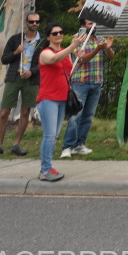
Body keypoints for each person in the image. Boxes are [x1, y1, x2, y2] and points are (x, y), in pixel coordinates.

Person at [36, 23, 89, 182]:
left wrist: (78, 59)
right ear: (48, 37)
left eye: (61, 32)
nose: (58, 35)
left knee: (54, 135)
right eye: (54, 33)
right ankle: (45, 169)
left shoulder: (65, 52)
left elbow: (70, 72)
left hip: (62, 98)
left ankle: (48, 167)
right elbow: (53, 59)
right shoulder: (45, 53)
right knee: (50, 135)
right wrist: (72, 46)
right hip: (48, 98)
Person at [0, 12, 42, 157]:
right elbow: (4, 59)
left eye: (37, 22)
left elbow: (44, 63)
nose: (34, 24)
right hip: (14, 77)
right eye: (31, 21)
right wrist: (17, 52)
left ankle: (17, 144)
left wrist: (32, 71)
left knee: (25, 112)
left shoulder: (43, 41)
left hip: (31, 79)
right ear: (26, 23)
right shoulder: (15, 39)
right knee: (4, 112)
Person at [60, 18, 114, 158]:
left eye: (94, 23)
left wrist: (107, 48)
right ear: (83, 25)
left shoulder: (100, 39)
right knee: (75, 115)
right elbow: (82, 60)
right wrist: (98, 49)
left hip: (96, 82)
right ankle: (67, 146)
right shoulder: (77, 39)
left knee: (88, 116)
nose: (93, 26)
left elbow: (111, 57)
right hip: (81, 82)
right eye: (90, 23)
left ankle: (79, 145)